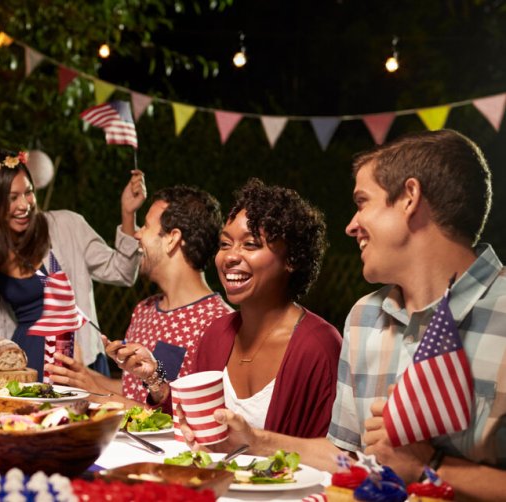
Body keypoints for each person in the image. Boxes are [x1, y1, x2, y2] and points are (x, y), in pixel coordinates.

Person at [185, 130, 505, 500]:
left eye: (363, 202)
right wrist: (255, 440)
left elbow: (411, 463)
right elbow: (346, 457)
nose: (351, 225)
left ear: (409, 199)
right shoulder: (365, 318)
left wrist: (431, 466)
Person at [0, 149, 143, 378]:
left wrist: (128, 213)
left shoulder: (66, 226)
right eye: (12, 198)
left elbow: (123, 273)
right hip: (26, 365)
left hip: (77, 359)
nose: (24, 205)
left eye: (28, 193)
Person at [44, 186, 232, 406]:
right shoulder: (145, 309)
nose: (137, 234)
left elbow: (189, 416)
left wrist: (93, 392)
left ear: (172, 239)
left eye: (146, 226)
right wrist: (82, 375)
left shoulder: (217, 323)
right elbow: (131, 391)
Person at [187, 179, 339, 437]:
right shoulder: (215, 334)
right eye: (225, 244)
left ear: (291, 259)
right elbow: (189, 418)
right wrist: (156, 376)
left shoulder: (318, 347)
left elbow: (332, 454)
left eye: (250, 244)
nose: (230, 256)